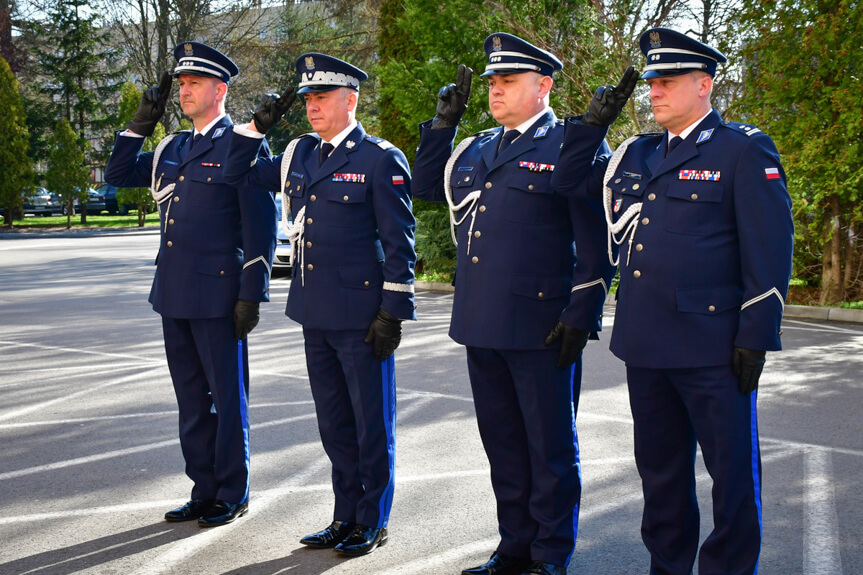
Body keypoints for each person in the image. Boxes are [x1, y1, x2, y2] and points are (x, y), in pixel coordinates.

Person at [559, 28, 793, 575]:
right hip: (647, 344)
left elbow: (770, 247)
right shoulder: (636, 152)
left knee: (732, 478)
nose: (654, 92)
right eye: (651, 83)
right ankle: (668, 567)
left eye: (667, 82)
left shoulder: (742, 148)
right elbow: (567, 186)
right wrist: (591, 128)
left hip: (714, 347)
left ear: (703, 85)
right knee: (661, 477)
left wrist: (757, 335)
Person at [411, 33, 635, 575]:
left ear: (544, 86)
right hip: (482, 321)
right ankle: (514, 546)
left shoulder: (572, 144)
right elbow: (421, 187)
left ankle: (550, 553)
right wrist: (443, 128)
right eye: (492, 82)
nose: (496, 90)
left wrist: (582, 312)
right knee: (504, 446)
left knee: (550, 449)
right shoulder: (478, 147)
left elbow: (596, 240)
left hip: (542, 324)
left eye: (508, 81)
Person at [223, 53, 417, 557]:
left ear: (350, 100)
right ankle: (343, 515)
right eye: (307, 99)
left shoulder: (379, 158)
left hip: (361, 318)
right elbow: (234, 171)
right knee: (334, 422)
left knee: (370, 423)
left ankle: (372, 520)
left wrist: (392, 311)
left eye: (322, 97)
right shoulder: (300, 155)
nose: (312, 106)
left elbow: (400, 244)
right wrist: (253, 128)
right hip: (314, 312)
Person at [104, 41, 276, 528]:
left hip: (220, 295)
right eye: (180, 84)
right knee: (191, 399)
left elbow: (260, 225)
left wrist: (251, 293)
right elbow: (118, 174)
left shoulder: (242, 144)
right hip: (174, 291)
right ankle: (203, 488)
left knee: (227, 395)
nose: (183, 91)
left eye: (193, 83)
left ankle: (232, 491)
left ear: (220, 90)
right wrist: (141, 123)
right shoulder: (172, 146)